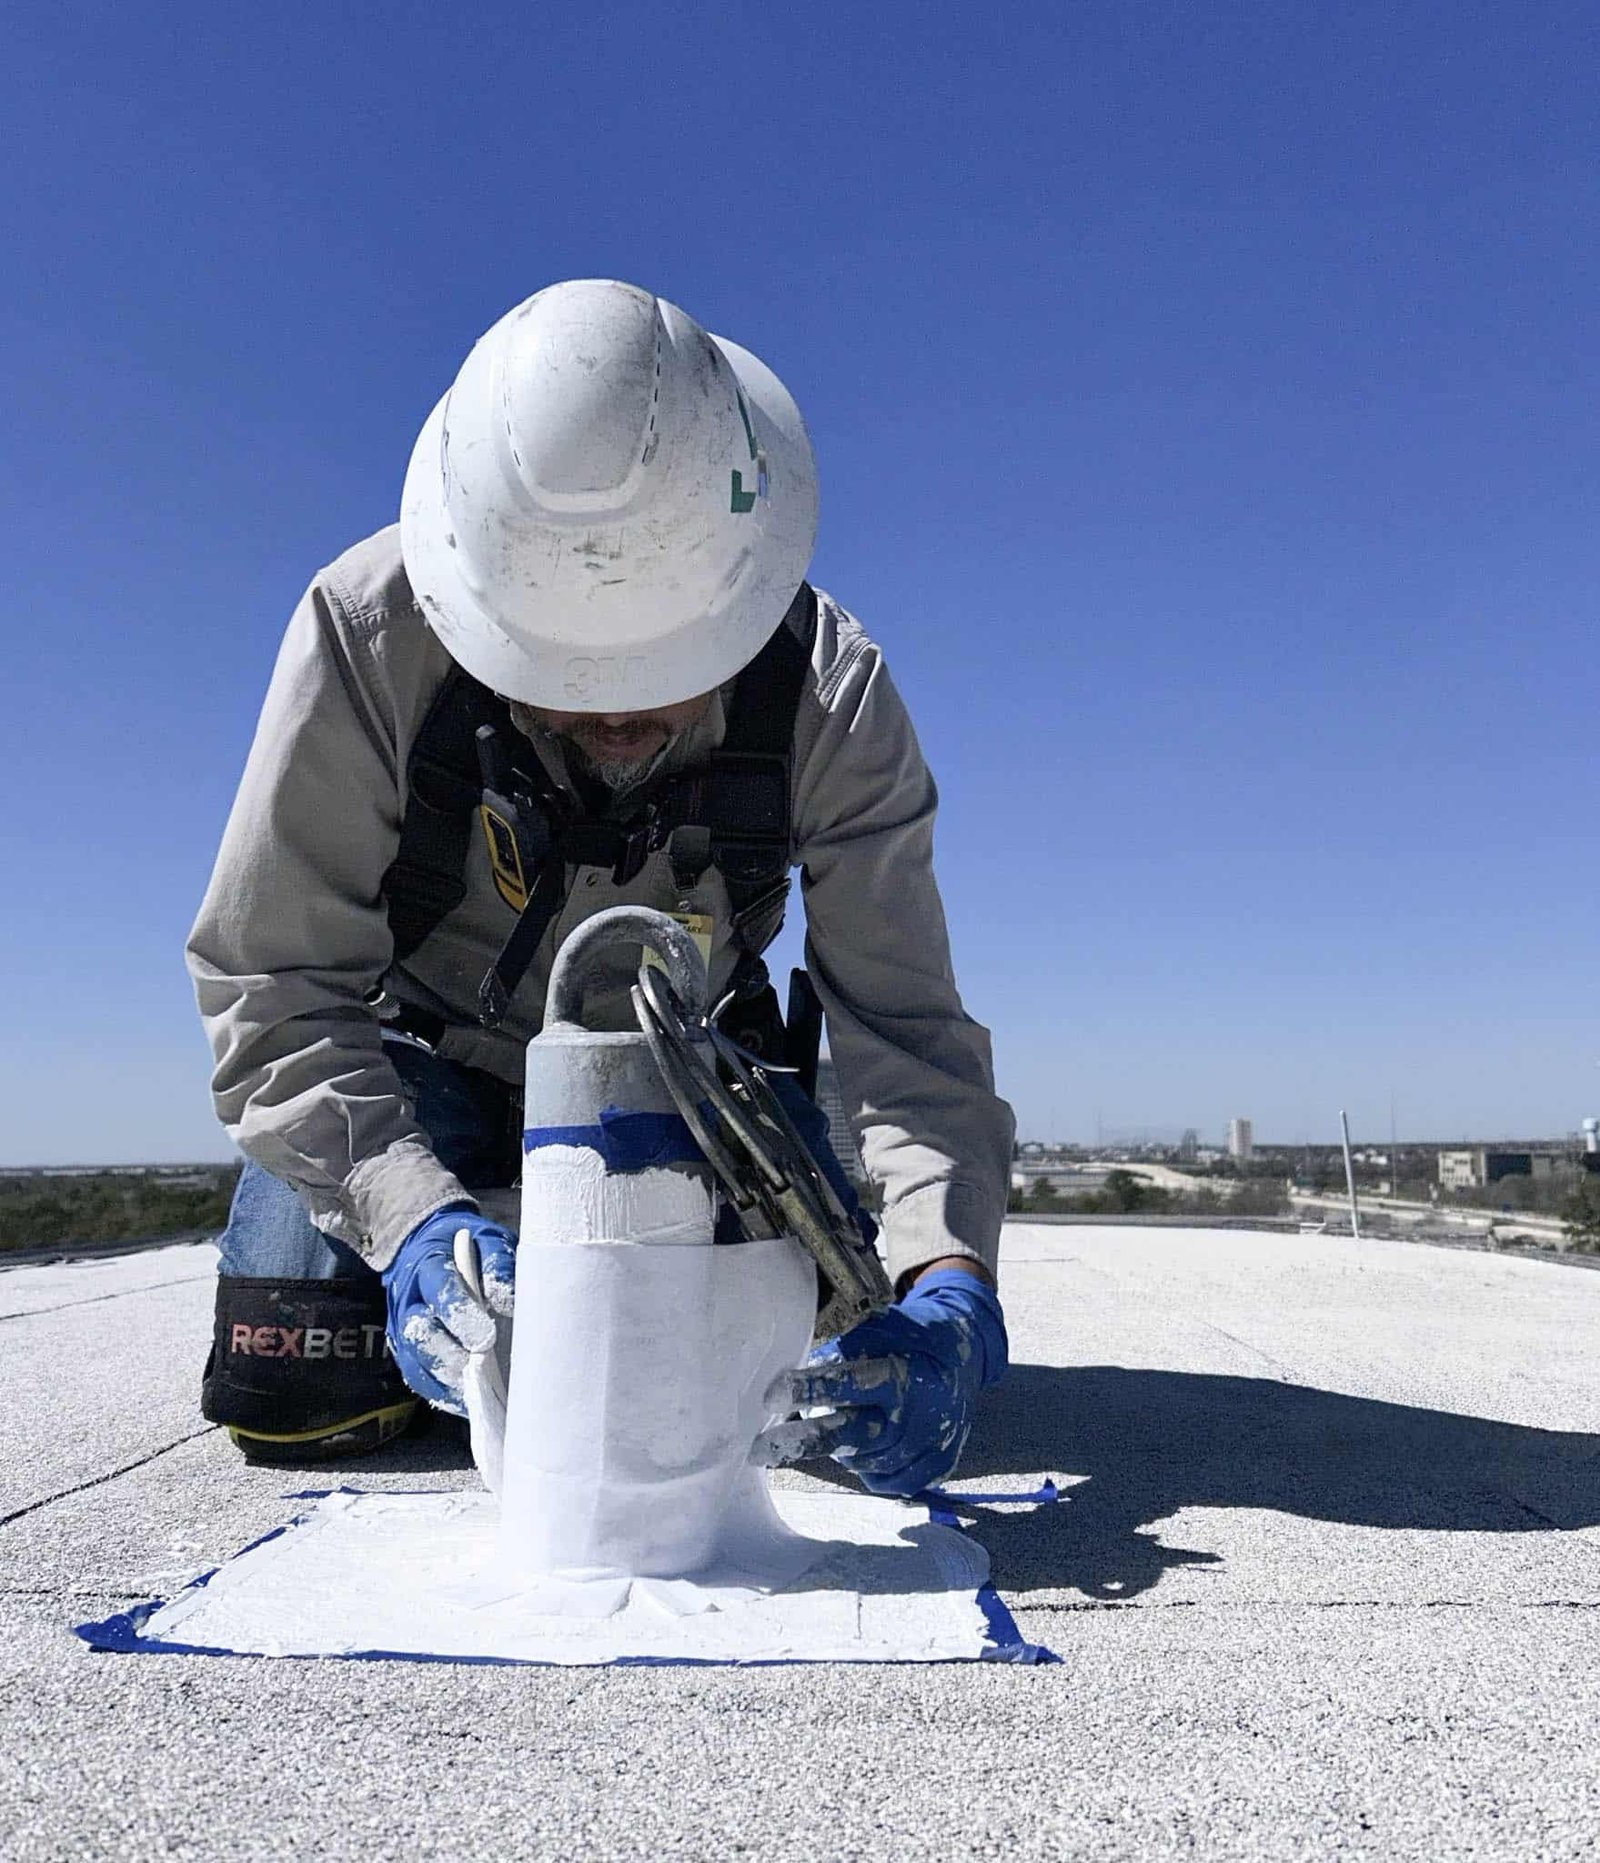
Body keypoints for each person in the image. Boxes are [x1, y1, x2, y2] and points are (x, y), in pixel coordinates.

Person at [187, 278, 1015, 1495]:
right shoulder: (369, 634)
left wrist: (949, 1282)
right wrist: (406, 1214)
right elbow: (274, 979)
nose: (616, 718)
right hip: (425, 1071)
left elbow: (905, 1028)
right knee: (299, 1389)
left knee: (790, 1379)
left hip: (688, 1081)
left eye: (660, 672)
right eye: (564, 674)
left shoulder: (828, 694)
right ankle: (472, 1248)